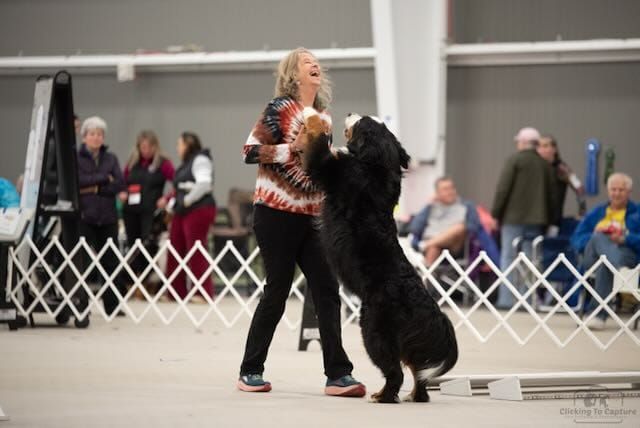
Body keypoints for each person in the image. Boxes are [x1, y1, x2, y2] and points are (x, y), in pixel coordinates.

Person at [237, 47, 366, 397]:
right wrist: (289, 148)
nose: (315, 66)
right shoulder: (279, 109)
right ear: (293, 74)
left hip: (312, 218)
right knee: (277, 291)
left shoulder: (323, 118)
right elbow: (249, 151)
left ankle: (338, 375)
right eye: (307, 62)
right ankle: (250, 370)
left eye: (318, 63)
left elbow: (318, 171)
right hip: (275, 213)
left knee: (327, 290)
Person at [491, 127, 557, 309]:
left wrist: (496, 213)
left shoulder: (514, 160)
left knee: (508, 257)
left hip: (512, 218)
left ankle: (506, 300)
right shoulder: (545, 164)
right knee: (531, 260)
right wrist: (551, 220)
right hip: (537, 220)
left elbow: (503, 189)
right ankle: (527, 300)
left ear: (522, 142)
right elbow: (552, 196)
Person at [570, 173, 640, 330]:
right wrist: (596, 233)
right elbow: (576, 238)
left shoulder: (637, 213)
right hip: (592, 258)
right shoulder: (596, 213)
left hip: (626, 254)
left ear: (629, 192)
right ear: (608, 191)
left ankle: (598, 316)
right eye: (613, 189)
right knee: (598, 237)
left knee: (605, 264)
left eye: (621, 190)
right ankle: (620, 271)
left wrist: (625, 238)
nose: (616, 193)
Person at [76, 116, 127, 316]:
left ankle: (112, 306)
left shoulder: (111, 158)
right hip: (85, 217)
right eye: (92, 134)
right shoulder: (76, 158)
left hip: (107, 217)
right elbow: (77, 182)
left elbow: (119, 184)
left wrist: (94, 188)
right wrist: (103, 179)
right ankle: (81, 304)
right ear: (84, 137)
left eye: (100, 134)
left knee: (111, 263)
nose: (96, 138)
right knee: (82, 262)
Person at [165, 131, 216, 301]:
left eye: (179, 145)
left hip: (199, 209)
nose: (177, 148)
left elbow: (204, 185)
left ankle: (201, 292)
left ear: (187, 145)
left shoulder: (201, 160)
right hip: (182, 210)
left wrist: (186, 200)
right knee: (175, 248)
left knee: (196, 250)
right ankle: (174, 292)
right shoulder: (185, 164)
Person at [121, 130, 175, 281]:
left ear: (155, 147)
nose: (145, 150)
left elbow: (177, 182)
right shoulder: (132, 161)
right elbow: (122, 181)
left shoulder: (163, 163)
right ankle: (132, 280)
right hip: (131, 210)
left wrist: (167, 197)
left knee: (147, 245)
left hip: (150, 212)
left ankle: (147, 280)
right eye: (142, 147)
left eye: (149, 147)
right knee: (133, 245)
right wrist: (123, 192)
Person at [409, 177, 481, 266]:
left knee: (461, 227)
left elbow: (473, 227)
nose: (450, 192)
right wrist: (428, 205)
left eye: (452, 188)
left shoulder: (466, 205)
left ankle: (424, 245)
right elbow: (415, 227)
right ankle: (427, 278)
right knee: (434, 248)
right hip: (433, 244)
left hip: (455, 245)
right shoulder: (431, 206)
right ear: (437, 193)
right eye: (445, 189)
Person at [536, 134, 586, 222]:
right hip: (536, 219)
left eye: (545, 146)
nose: (541, 150)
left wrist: (582, 213)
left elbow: (579, 188)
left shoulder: (562, 168)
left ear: (554, 149)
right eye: (539, 146)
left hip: (553, 220)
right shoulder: (537, 167)